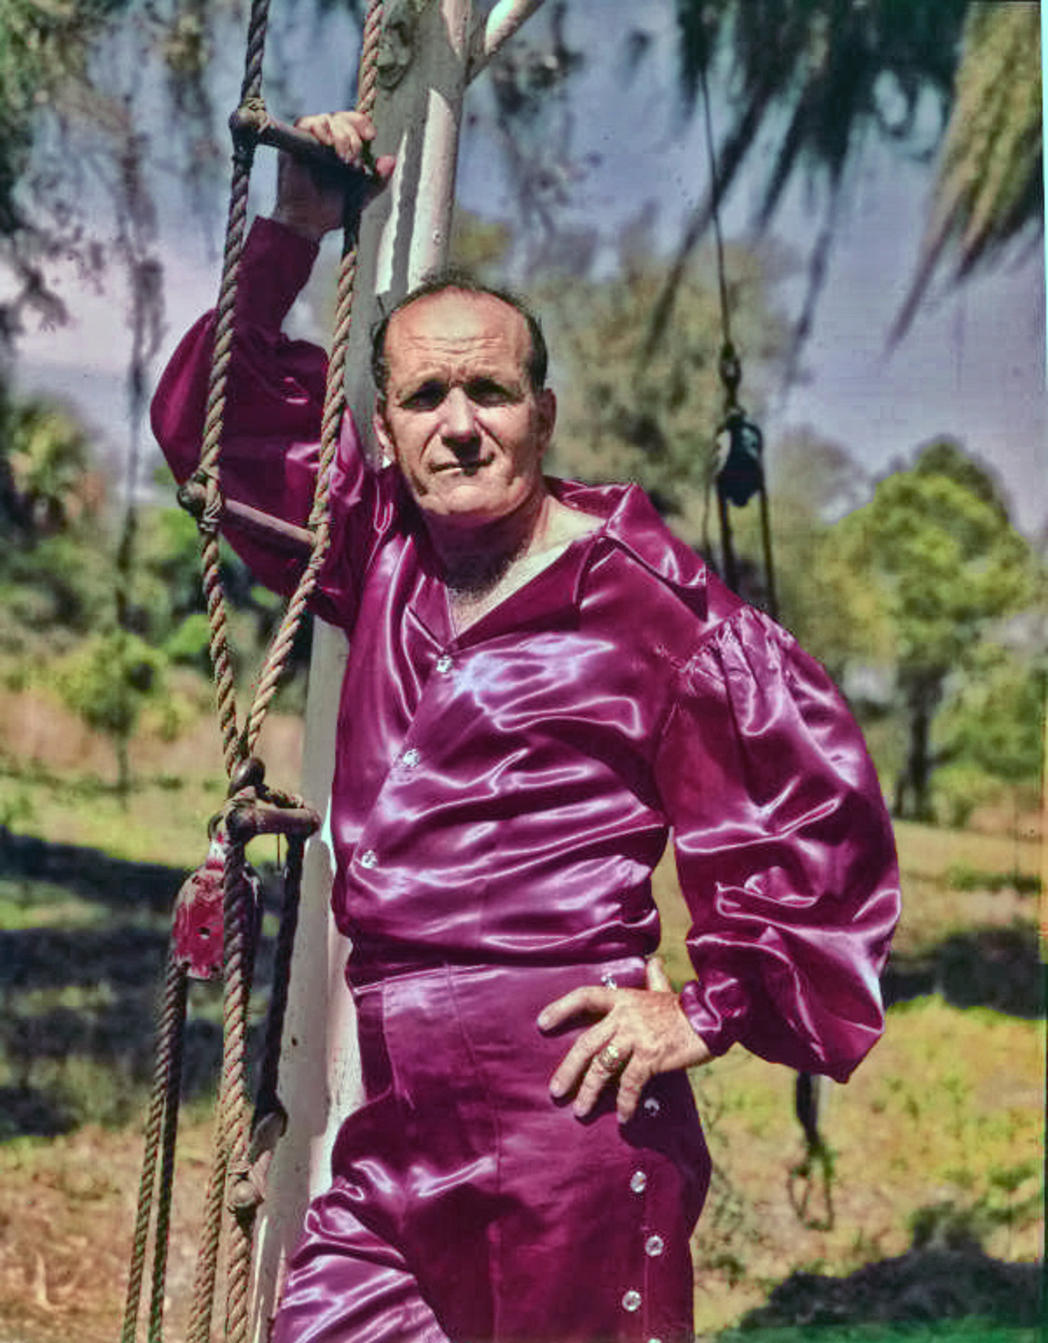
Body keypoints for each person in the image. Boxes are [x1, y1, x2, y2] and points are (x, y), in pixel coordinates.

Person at [152, 110, 900, 1343]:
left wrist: (707, 1007)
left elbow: (813, 815)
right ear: (385, 430)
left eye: (489, 390)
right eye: (425, 396)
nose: (460, 423)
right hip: (390, 1121)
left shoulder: (647, 598)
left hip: (569, 1119)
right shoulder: (371, 546)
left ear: (541, 415)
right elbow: (213, 432)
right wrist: (293, 225)